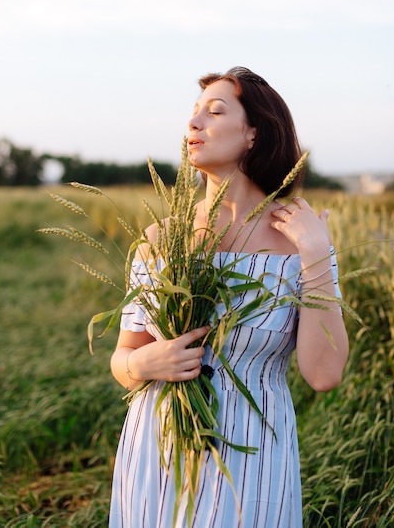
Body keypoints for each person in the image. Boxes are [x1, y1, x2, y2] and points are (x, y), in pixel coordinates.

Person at [109, 67, 349, 527]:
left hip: (252, 454)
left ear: (254, 133)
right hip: (156, 446)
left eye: (215, 111)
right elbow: (124, 357)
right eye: (193, 113)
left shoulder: (303, 240)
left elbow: (324, 374)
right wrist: (144, 365)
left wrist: (317, 254)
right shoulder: (162, 239)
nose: (194, 124)